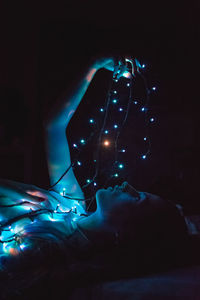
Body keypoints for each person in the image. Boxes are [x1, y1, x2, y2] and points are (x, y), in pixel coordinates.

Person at [0, 56, 188, 289]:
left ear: (128, 234)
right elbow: (54, 127)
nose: (128, 186)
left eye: (138, 198)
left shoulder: (48, 255)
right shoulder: (71, 202)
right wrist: (93, 66)